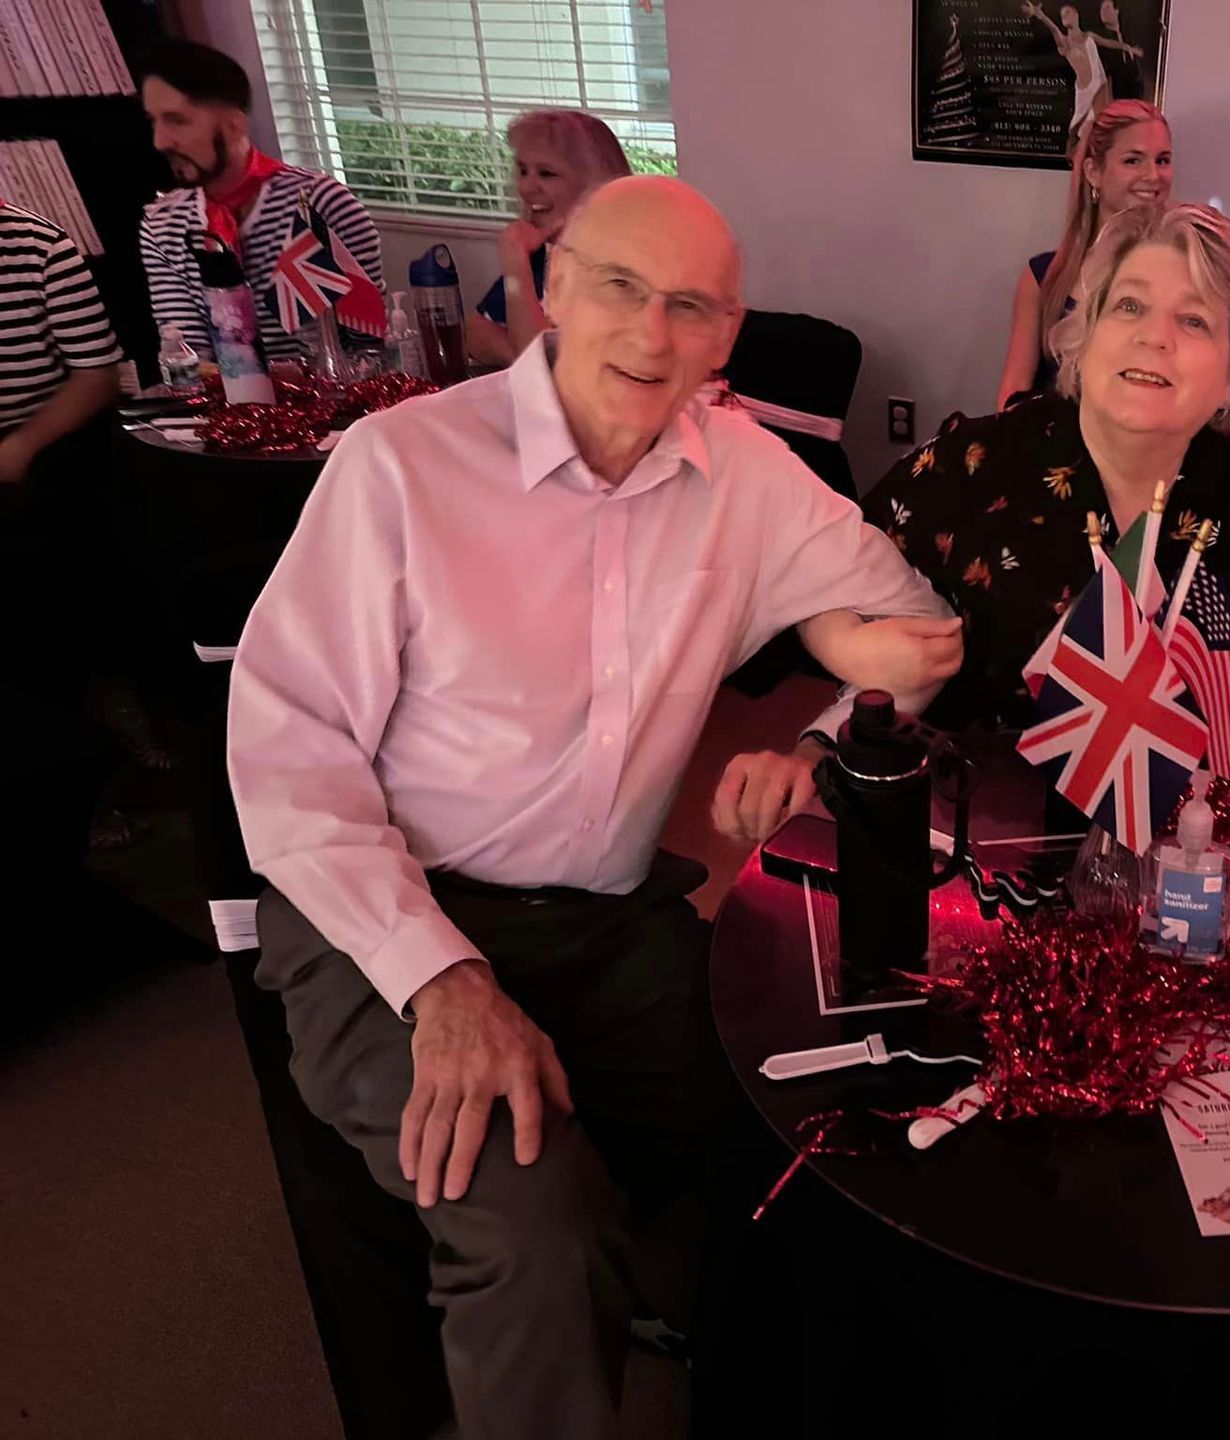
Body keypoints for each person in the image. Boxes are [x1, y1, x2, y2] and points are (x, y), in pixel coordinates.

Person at [226, 176, 950, 1439]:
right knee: (535, 1228)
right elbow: (289, 758)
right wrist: (445, 984)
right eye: (619, 285)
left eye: (691, 306)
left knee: (809, 1125)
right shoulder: (403, 466)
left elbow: (920, 632)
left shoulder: (748, 475)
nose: (651, 332)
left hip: (606, 925)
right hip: (383, 923)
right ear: (551, 284)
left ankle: (707, 1340)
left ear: (727, 335)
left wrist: (819, 740)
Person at [715, 203, 1230, 842]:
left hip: (1182, 858)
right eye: (1129, 306)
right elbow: (824, 580)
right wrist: (817, 730)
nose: (1155, 336)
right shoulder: (972, 464)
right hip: (973, 842)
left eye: (1195, 320)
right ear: (1084, 337)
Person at [0, 200, 125, 918]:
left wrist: (21, 447)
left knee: (40, 611)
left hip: (34, 457)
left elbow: (96, 374)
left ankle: (75, 783)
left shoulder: (39, 248)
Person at [137, 40, 384, 361]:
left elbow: (371, 345)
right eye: (152, 121)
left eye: (176, 120)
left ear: (234, 123)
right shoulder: (162, 224)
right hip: (225, 392)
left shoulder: (321, 202)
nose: (159, 141)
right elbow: (189, 357)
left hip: (332, 388)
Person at [996, 98, 1172, 411]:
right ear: (1093, 172)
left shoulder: (1185, 275)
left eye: (1162, 160)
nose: (1153, 175)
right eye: (1133, 160)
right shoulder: (1044, 276)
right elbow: (1013, 391)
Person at [467, 110, 632, 368]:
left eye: (546, 174)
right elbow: (476, 333)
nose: (525, 188)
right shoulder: (542, 252)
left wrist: (515, 268)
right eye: (523, 171)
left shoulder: (621, 266)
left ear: (594, 185)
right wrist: (519, 353)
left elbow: (545, 363)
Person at [1023, 2, 1141, 151]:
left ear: (1076, 15)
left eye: (1067, 12)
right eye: (1062, 15)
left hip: (1100, 84)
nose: (1065, 16)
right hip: (1085, 90)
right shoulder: (1065, 43)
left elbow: (1107, 43)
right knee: (1081, 129)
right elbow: (1054, 29)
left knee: (1105, 125)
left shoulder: (1089, 36)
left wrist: (1127, 47)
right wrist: (1041, 16)